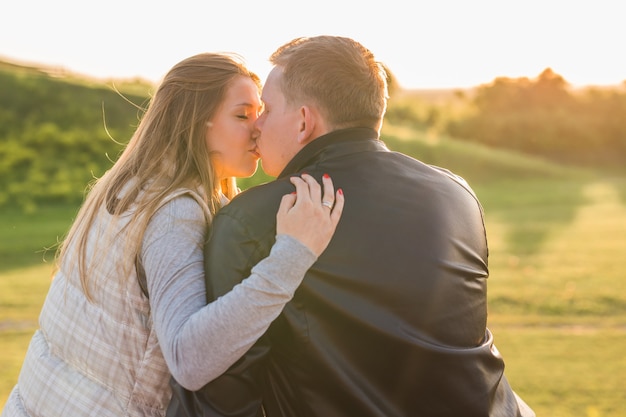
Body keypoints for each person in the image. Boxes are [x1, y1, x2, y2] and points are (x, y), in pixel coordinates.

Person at [167, 36, 535, 417]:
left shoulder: (252, 221)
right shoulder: (458, 195)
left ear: (304, 122)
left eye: (269, 109)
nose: (257, 125)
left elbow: (223, 402)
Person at [1, 52, 344, 417]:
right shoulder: (174, 212)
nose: (258, 127)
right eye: (243, 115)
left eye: (260, 112)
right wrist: (293, 255)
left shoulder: (134, 185)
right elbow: (188, 358)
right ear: (196, 122)